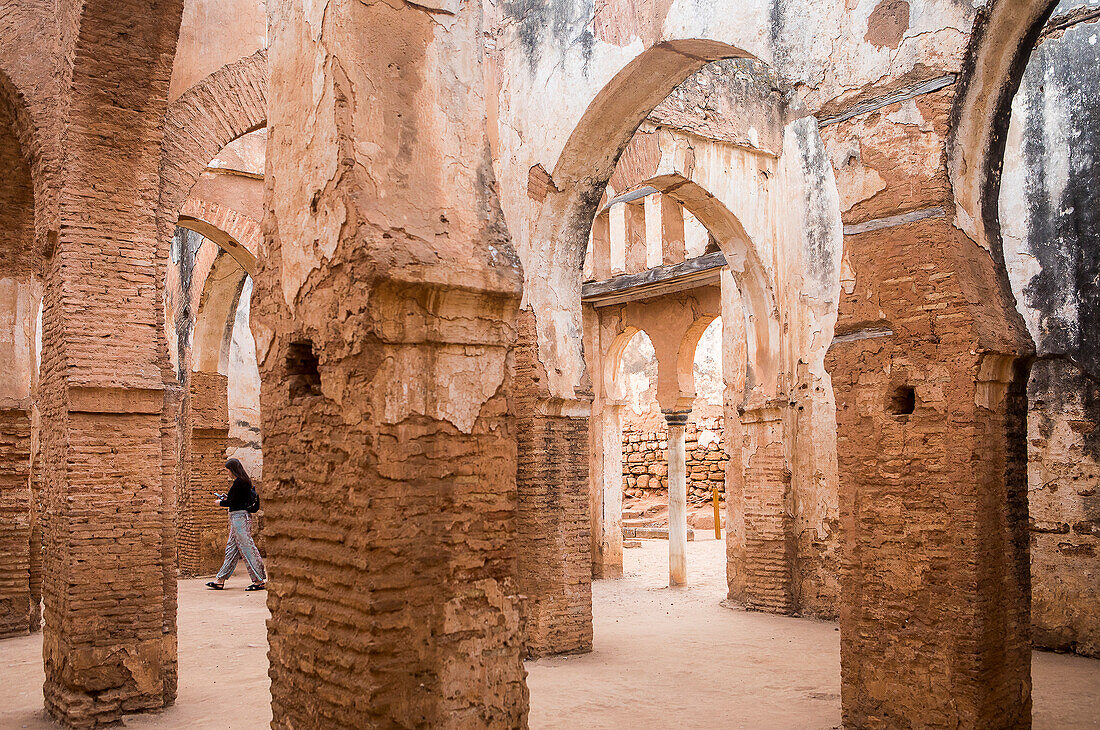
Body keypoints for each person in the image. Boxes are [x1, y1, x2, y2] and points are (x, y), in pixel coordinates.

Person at [206, 458, 266, 591]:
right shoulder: (241, 482)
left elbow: (234, 503)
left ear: (232, 470)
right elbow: (237, 500)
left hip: (240, 519)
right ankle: (220, 580)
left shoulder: (240, 483)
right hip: (236, 519)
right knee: (231, 550)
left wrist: (220, 503)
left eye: (227, 470)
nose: (227, 473)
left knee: (247, 548)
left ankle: (259, 580)